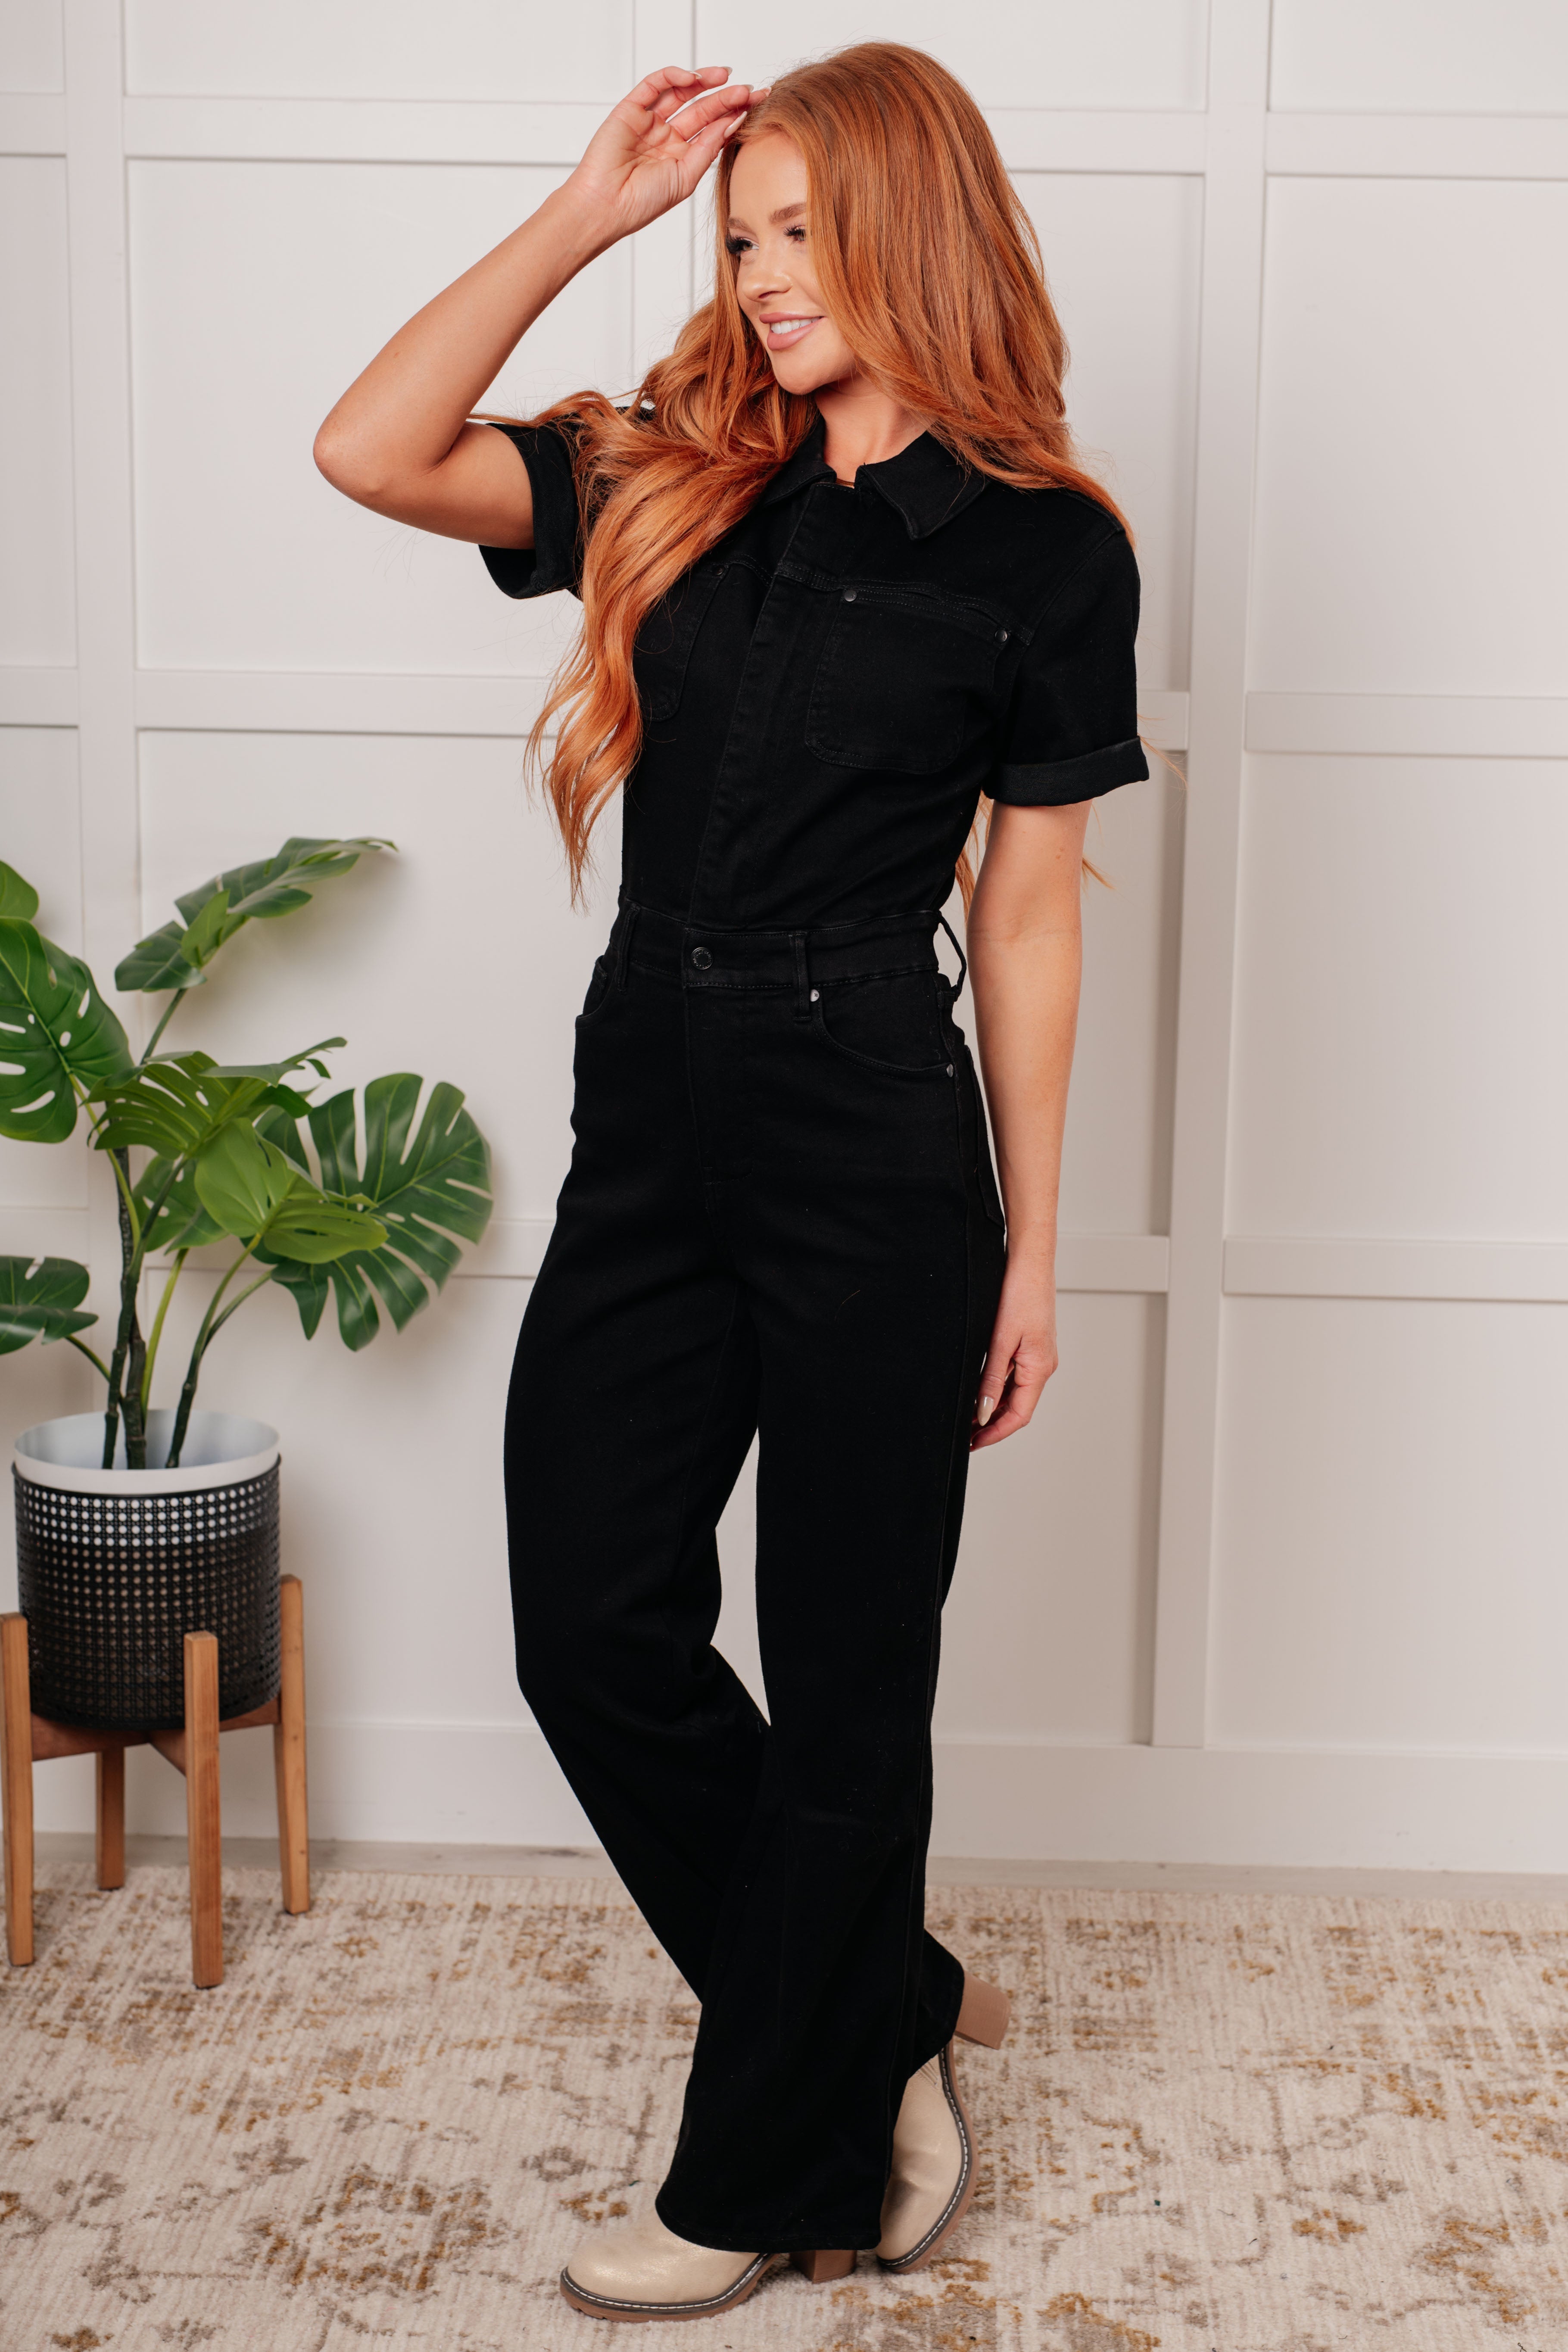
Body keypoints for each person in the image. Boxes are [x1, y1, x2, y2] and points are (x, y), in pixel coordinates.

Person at [315, 40, 1146, 2324]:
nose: (763, 275)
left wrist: (1037, 1245)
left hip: (878, 1125)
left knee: (849, 1666)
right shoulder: (661, 477)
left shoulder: (1045, 551)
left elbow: (1031, 913)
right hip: (651, 1114)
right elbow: (367, 448)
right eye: (742, 234)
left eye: (802, 230)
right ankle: (866, 1995)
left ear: (916, 227)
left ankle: (761, 2170)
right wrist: (589, 205)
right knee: (590, 1616)